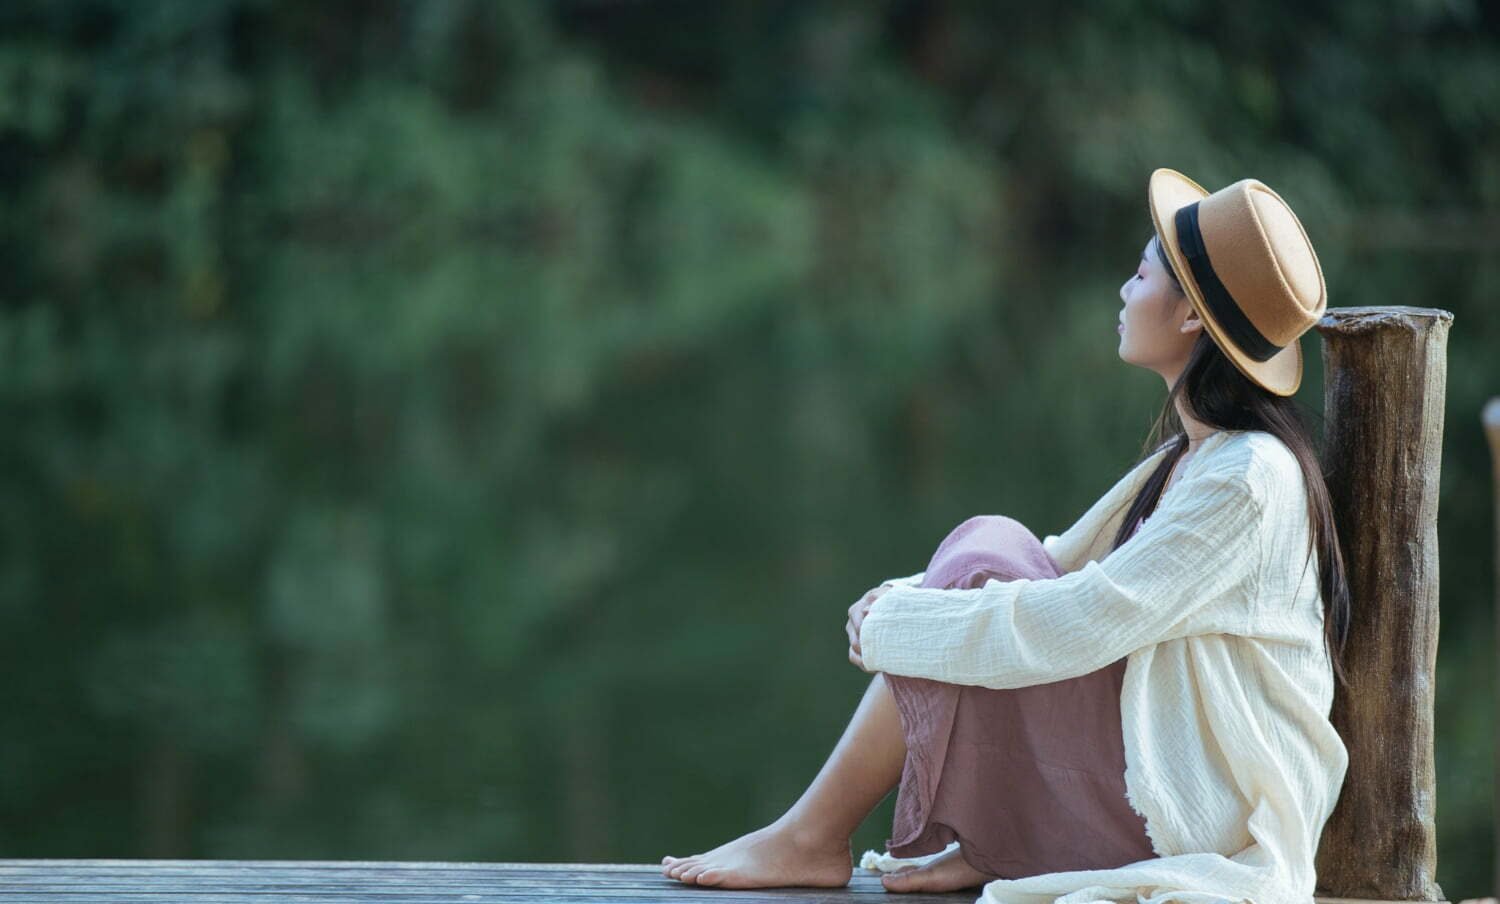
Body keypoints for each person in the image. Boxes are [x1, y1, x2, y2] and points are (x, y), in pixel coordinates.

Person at [660, 168, 1351, 904]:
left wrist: (904, 623)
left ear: (1189, 320)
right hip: (1157, 777)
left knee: (981, 566)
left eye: (1140, 274)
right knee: (988, 550)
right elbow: (1055, 564)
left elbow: (1084, 619)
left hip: (1196, 813)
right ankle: (986, 842)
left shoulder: (1246, 481)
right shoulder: (1199, 457)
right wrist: (904, 599)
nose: (1122, 292)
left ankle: (811, 836)